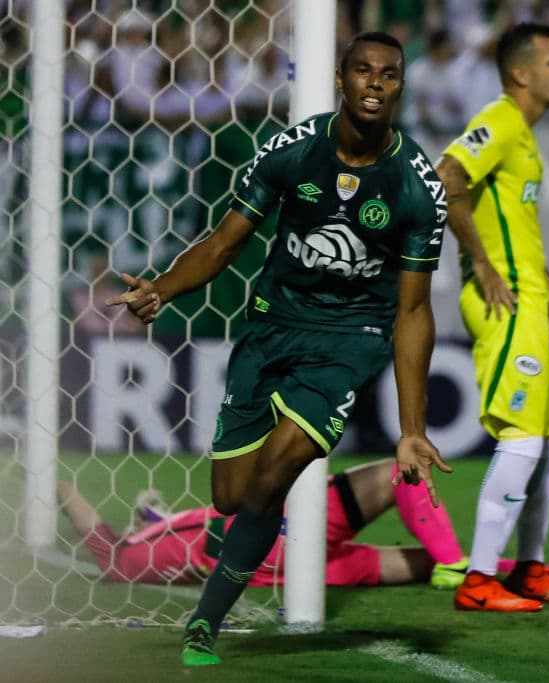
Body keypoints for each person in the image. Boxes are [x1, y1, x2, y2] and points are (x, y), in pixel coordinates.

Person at [106, 32, 451, 666]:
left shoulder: (417, 186)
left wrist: (411, 428)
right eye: (363, 72)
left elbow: (412, 310)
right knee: (233, 495)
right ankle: (222, 537)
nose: (376, 83)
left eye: (390, 74)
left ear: (401, 85)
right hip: (271, 328)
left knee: (273, 478)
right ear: (340, 80)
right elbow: (222, 244)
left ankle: (204, 624)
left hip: (350, 341)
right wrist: (163, 290)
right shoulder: (292, 151)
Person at [435, 22, 549, 613]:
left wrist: (545, 277)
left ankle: (530, 567)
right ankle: (478, 580)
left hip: (528, 297)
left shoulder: (524, 134)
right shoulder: (498, 120)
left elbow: (509, 217)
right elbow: (448, 178)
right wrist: (482, 264)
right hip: (505, 304)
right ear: (522, 73)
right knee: (521, 437)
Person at [56, 458, 549, 592]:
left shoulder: (151, 545)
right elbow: (111, 554)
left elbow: (115, 549)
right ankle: (480, 565)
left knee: (416, 562)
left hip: (307, 570)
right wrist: (65, 493)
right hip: (290, 533)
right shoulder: (138, 554)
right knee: (403, 473)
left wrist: (71, 498)